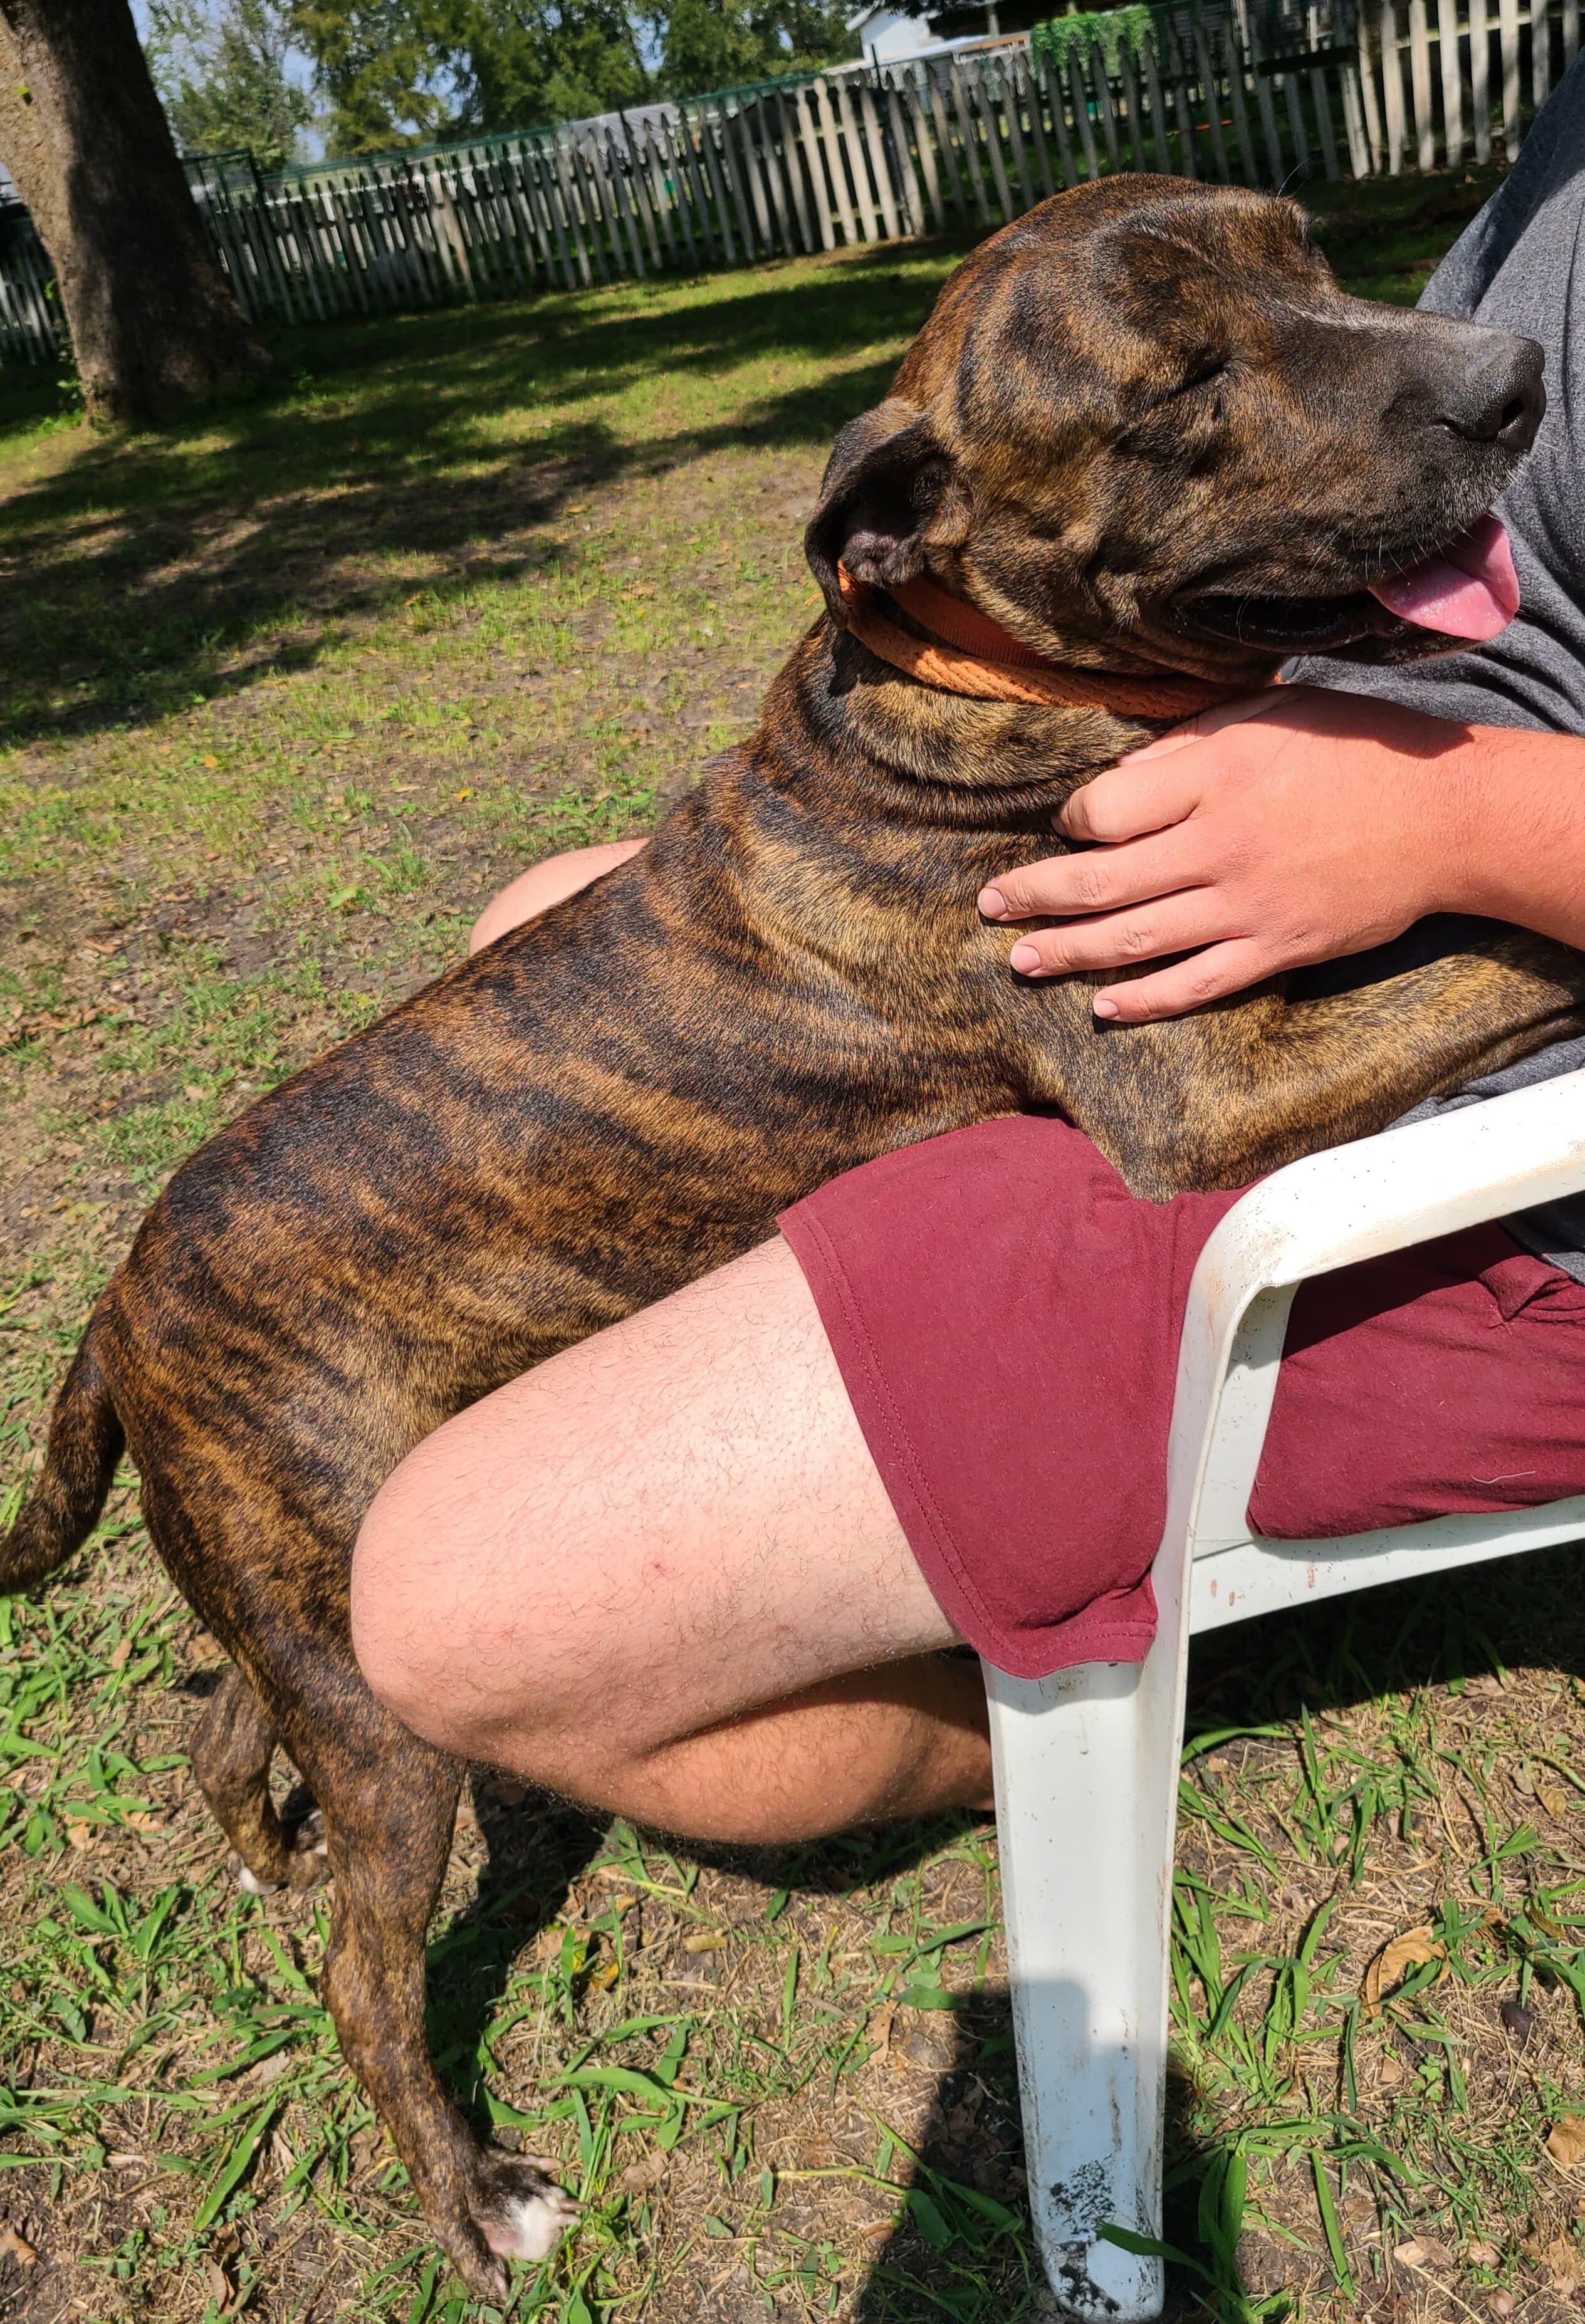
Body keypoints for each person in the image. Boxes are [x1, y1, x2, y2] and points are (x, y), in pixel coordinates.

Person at [348, 71, 1585, 1847]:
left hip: (1485, 1169)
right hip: (1273, 872)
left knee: (454, 1611)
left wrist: (1455, 828)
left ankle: (1064, 1669)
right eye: (1219, 352)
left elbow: (1200, 1112)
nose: (1467, 364)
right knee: (542, 916)